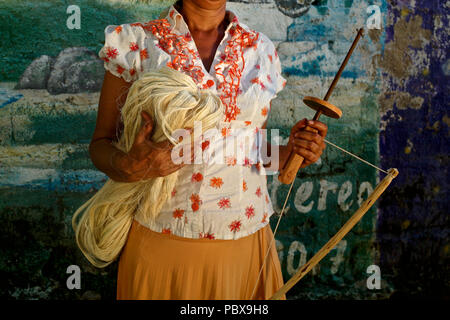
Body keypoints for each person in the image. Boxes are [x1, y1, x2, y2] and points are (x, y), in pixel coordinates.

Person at [90, 0, 327, 300]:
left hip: (245, 244)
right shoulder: (136, 43)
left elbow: (249, 151)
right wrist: (126, 165)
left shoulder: (260, 49)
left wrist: (293, 152)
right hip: (162, 242)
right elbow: (100, 143)